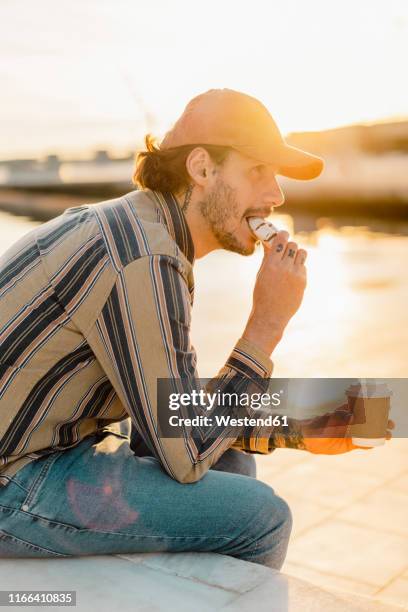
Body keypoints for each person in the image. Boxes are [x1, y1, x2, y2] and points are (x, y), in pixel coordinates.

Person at [0, 89, 394, 567]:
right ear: (203, 169)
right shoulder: (144, 259)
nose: (276, 194)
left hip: (48, 444)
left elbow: (170, 406)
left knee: (229, 460)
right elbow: (185, 451)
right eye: (258, 172)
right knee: (261, 517)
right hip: (15, 480)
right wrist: (267, 323)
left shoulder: (139, 227)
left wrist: (305, 420)